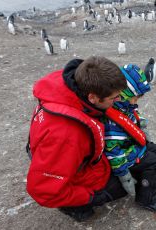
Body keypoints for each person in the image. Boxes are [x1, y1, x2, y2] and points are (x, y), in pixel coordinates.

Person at [26, 56, 129, 222]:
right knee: (121, 187)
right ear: (93, 98)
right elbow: (41, 190)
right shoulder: (67, 135)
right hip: (68, 171)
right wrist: (89, 197)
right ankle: (73, 206)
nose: (118, 101)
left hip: (66, 159)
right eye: (113, 98)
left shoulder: (70, 87)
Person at [103, 64, 156, 213]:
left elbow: (131, 116)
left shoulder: (123, 108)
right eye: (134, 99)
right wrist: (124, 175)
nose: (136, 102)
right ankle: (147, 198)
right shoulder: (112, 123)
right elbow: (113, 151)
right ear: (123, 96)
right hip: (126, 155)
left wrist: (139, 121)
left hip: (134, 146)